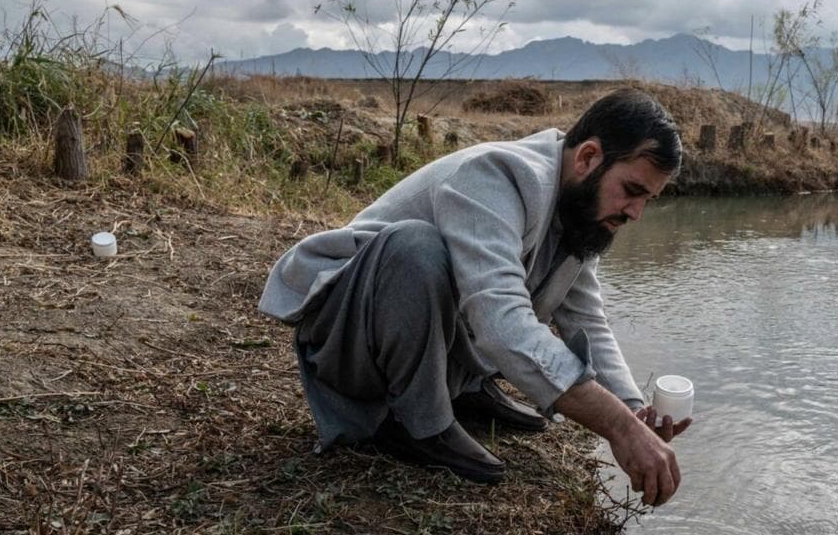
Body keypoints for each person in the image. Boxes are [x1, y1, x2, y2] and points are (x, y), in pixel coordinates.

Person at [259, 88, 690, 506]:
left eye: (647, 200)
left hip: (418, 342)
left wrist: (634, 411)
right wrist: (617, 428)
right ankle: (418, 423)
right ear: (588, 158)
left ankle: (461, 389)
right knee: (418, 249)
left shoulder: (579, 213)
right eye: (632, 191)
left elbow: (588, 321)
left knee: (483, 296)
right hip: (350, 338)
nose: (635, 213)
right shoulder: (495, 176)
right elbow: (500, 322)